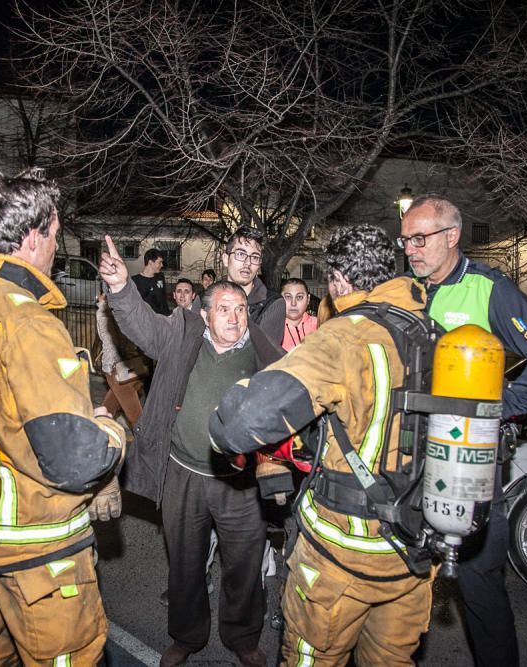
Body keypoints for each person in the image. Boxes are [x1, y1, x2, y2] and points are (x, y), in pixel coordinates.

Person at [0, 169, 127, 666]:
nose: (57, 247)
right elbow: (75, 460)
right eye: (55, 236)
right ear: (34, 237)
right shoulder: (26, 321)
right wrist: (111, 431)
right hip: (37, 558)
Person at [210, 225, 435, 665]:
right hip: (414, 550)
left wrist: (240, 389)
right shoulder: (433, 332)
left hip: (342, 554)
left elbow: (239, 426)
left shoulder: (343, 337)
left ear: (337, 280)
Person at [400, 194, 527, 667]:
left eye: (419, 239)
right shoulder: (405, 290)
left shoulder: (489, 289)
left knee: (479, 589)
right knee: (402, 588)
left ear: (451, 236)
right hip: (408, 463)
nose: (410, 249)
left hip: (467, 467)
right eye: (405, 241)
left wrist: (501, 407)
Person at [99, 237, 282, 667]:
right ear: (205, 314)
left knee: (244, 565)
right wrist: (124, 287)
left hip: (240, 482)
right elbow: (142, 326)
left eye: (239, 310)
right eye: (223, 309)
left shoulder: (263, 352)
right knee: (185, 562)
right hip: (183, 474)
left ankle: (243, 637)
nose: (233, 317)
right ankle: (186, 635)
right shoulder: (182, 332)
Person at [192, 227, 285, 348]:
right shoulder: (203, 300)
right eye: (241, 254)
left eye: (255, 257)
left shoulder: (273, 304)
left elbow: (263, 354)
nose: (248, 263)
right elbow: (191, 347)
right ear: (226, 259)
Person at [96, 290, 145, 428]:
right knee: (135, 415)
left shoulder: (117, 312)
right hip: (120, 366)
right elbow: (111, 340)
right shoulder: (109, 313)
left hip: (124, 366)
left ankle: (98, 431)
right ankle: (147, 445)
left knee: (110, 409)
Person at [279, 278, 318, 352]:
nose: (293, 303)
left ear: (308, 299)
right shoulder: (272, 328)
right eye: (288, 297)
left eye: (299, 297)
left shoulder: (320, 325)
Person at [132, 249, 170, 315]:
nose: (162, 265)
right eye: (159, 262)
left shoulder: (160, 277)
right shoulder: (135, 281)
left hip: (161, 320)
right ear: (150, 262)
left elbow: (164, 300)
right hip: (145, 321)